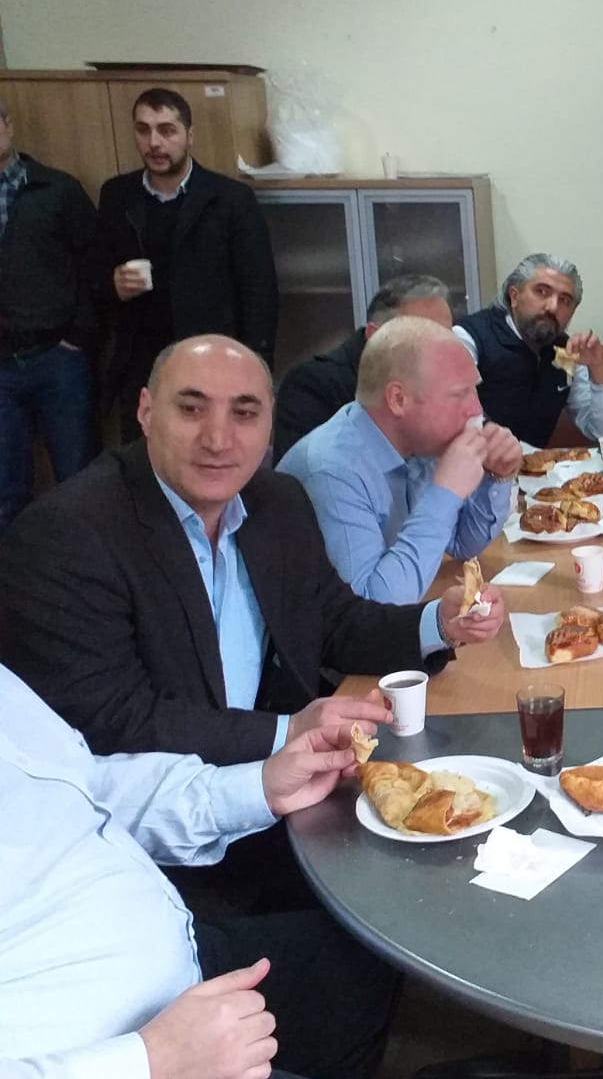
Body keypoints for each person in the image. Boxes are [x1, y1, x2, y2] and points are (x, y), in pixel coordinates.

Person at [0, 335, 504, 767]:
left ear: (269, 425)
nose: (218, 438)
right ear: (146, 412)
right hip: (150, 825)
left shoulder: (274, 501)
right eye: (191, 409)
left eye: (244, 413)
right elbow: (114, 722)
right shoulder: (66, 536)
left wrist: (439, 623)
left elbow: (333, 621)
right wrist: (287, 731)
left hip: (274, 781)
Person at [0, 660, 407, 1079]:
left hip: (185, 961)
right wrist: (149, 1071)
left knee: (376, 947)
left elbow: (87, 784)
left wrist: (257, 786)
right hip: (110, 1069)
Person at [278, 317, 522, 605]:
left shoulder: (421, 443)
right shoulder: (332, 471)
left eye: (474, 390)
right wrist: (446, 491)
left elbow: (462, 545)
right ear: (398, 399)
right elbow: (371, 608)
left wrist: (497, 475)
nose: (476, 409)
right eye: (460, 394)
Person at [95, 88, 278, 440]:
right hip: (142, 363)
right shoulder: (117, 195)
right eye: (144, 130)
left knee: (210, 452)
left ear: (189, 136)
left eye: (167, 130)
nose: (154, 142)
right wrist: (112, 284)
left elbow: (259, 290)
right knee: (143, 458)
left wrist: (257, 369)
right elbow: (93, 271)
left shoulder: (230, 199)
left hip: (212, 359)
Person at [0, 95, 99, 537]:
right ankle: (15, 576)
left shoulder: (56, 190)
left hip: (57, 358)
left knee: (80, 482)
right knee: (5, 490)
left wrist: (78, 334)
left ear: (8, 125)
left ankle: (90, 572)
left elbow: (94, 265)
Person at [272, 274, 455, 461]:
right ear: (376, 335)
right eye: (423, 337)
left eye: (447, 337)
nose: (441, 351)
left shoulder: (445, 376)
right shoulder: (312, 384)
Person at [453, 252, 603, 446]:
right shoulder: (470, 337)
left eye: (565, 300)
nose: (553, 307)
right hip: (476, 461)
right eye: (542, 292)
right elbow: (453, 413)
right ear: (514, 296)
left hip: (537, 465)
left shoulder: (566, 351)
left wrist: (598, 369)